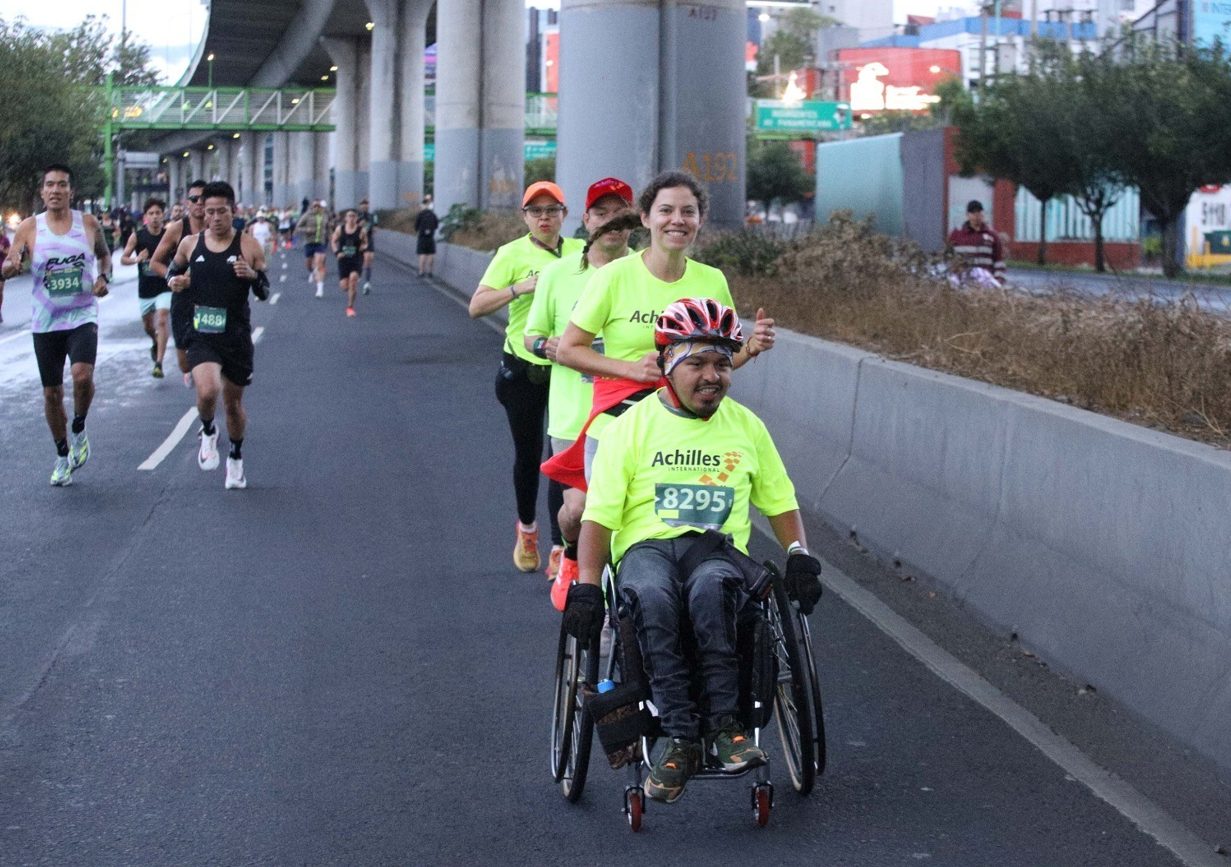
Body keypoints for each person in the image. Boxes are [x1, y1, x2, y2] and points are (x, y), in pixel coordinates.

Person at [561, 298, 824, 804]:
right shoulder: (629, 429)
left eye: (723, 364)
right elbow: (599, 516)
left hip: (716, 551)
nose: (712, 376)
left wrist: (797, 554)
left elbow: (779, 499)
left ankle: (726, 729)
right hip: (647, 547)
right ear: (666, 365)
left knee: (711, 589)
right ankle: (679, 736)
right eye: (697, 363)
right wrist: (588, 586)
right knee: (654, 597)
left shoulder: (747, 427)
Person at [548, 171, 776, 499]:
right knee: (606, 533)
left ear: (700, 219)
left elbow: (719, 362)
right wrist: (630, 369)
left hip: (685, 428)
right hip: (618, 421)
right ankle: (570, 551)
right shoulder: (614, 276)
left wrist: (751, 347)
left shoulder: (712, 281)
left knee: (681, 534)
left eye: (688, 211)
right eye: (666, 210)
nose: (677, 220)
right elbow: (569, 350)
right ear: (645, 217)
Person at [524, 177, 637, 598]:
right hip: (574, 415)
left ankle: (621, 599)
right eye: (602, 213)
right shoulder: (557, 275)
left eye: (620, 215)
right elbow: (530, 336)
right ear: (586, 219)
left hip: (630, 413)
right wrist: (547, 346)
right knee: (580, 509)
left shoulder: (644, 272)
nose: (612, 223)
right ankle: (571, 553)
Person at [468, 181, 585, 573]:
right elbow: (476, 306)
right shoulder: (511, 254)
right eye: (536, 211)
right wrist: (521, 287)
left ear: (565, 215)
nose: (545, 218)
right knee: (530, 453)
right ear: (525, 217)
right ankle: (528, 529)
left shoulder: (580, 253)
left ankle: (558, 548)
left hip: (568, 367)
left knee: (561, 457)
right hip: (523, 368)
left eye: (552, 210)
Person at [1, 164, 111, 485]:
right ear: (42, 191)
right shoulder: (29, 228)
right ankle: (62, 454)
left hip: (82, 316)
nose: (55, 190)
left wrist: (103, 276)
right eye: (50, 185)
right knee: (51, 394)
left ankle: (78, 427)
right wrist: (11, 265)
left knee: (82, 375)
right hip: (46, 322)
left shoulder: (88, 224)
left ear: (70, 192)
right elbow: (10, 262)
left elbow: (105, 256)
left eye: (62, 185)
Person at [165, 181, 269, 490]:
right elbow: (171, 273)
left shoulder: (249, 246)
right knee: (208, 391)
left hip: (235, 335)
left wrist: (251, 276)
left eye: (221, 211)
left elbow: (264, 290)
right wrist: (175, 282)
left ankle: (235, 458)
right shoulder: (190, 244)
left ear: (233, 211)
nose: (215, 218)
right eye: (209, 211)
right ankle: (208, 429)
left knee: (233, 405)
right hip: (202, 332)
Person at [150, 179, 209, 387]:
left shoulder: (219, 226)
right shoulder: (177, 229)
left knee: (211, 353)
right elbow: (155, 262)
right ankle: (194, 371)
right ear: (187, 203)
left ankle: (208, 385)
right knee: (184, 363)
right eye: (194, 199)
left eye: (204, 198)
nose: (199, 203)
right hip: (183, 299)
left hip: (212, 300)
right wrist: (172, 278)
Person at [120, 197, 172, 378]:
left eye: (158, 213)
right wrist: (136, 259)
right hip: (145, 290)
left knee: (163, 319)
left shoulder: (169, 235)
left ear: (163, 215)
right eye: (151, 213)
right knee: (149, 327)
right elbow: (123, 258)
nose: (155, 217)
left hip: (165, 286)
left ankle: (159, 363)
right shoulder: (138, 236)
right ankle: (155, 341)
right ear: (146, 217)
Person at [946, 199, 1006, 285]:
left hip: (985, 283)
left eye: (979, 212)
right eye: (973, 213)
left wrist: (998, 281)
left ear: (983, 214)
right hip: (962, 282)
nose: (976, 216)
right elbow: (948, 258)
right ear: (967, 215)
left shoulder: (992, 236)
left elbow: (999, 261)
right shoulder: (956, 235)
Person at [331, 208, 367, 317]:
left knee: (353, 280)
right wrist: (337, 252)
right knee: (344, 286)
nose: (351, 218)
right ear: (345, 218)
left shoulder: (361, 230)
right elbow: (333, 241)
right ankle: (349, 290)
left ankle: (350, 307)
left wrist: (362, 247)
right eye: (349, 216)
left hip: (356, 258)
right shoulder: (340, 229)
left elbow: (366, 243)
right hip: (343, 259)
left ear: (356, 218)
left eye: (353, 216)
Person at [296, 199, 331, 298]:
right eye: (314, 206)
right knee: (309, 264)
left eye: (318, 206)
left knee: (319, 264)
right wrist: (307, 230)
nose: (316, 208)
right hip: (309, 242)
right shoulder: (307, 215)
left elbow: (328, 228)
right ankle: (312, 272)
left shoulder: (325, 216)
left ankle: (319, 289)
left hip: (320, 243)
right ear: (312, 207)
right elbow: (298, 227)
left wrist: (331, 236)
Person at [355, 198, 378, 293]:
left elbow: (376, 228)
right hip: (358, 241)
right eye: (362, 204)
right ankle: (357, 274)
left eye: (366, 204)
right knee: (360, 261)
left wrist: (371, 229)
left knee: (369, 259)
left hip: (368, 240)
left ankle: (367, 283)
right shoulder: (356, 216)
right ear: (360, 206)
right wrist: (359, 226)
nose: (364, 206)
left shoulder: (373, 216)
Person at [413, 195, 439, 277]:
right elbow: (436, 225)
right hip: (431, 237)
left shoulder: (420, 214)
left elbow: (416, 226)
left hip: (422, 237)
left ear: (423, 205)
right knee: (431, 254)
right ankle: (430, 272)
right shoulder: (433, 214)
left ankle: (421, 272)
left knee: (422, 254)